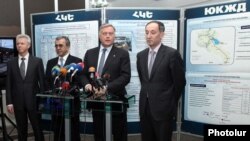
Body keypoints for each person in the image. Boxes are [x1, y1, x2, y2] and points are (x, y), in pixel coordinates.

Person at [136, 20, 186, 141]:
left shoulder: (171, 54)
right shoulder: (140, 55)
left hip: (164, 111)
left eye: (153, 32)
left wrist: (169, 102)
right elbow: (144, 81)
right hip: (145, 109)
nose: (148, 36)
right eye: (146, 32)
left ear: (162, 34)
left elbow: (180, 82)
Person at [82, 23, 131, 141]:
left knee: (119, 134)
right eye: (104, 34)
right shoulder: (90, 53)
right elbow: (83, 74)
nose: (108, 36)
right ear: (99, 36)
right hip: (96, 100)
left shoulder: (122, 53)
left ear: (114, 36)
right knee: (99, 133)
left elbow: (125, 76)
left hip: (115, 99)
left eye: (110, 33)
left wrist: (107, 88)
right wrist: (87, 84)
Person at [6, 34, 45, 141]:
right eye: (18, 43)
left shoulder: (37, 61)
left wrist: (42, 101)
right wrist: (9, 102)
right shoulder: (11, 63)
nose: (19, 46)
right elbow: (8, 83)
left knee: (37, 129)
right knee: (21, 130)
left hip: (34, 101)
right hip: (18, 102)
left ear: (28, 45)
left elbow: (42, 82)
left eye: (22, 43)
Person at [45, 36, 82, 141]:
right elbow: (47, 80)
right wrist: (52, 93)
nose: (58, 48)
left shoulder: (76, 61)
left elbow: (79, 82)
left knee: (73, 133)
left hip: (71, 104)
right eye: (56, 46)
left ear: (68, 47)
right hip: (55, 103)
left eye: (61, 45)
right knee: (58, 132)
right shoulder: (51, 62)